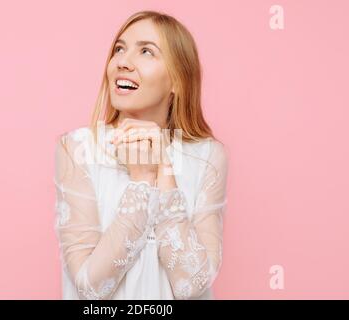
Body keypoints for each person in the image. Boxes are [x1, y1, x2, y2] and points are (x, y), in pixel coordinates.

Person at [53, 10, 229, 299]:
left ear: (177, 80)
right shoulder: (77, 149)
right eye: (119, 49)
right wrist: (142, 182)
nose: (123, 61)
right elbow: (90, 287)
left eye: (146, 51)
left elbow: (192, 285)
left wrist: (164, 172)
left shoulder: (208, 156)